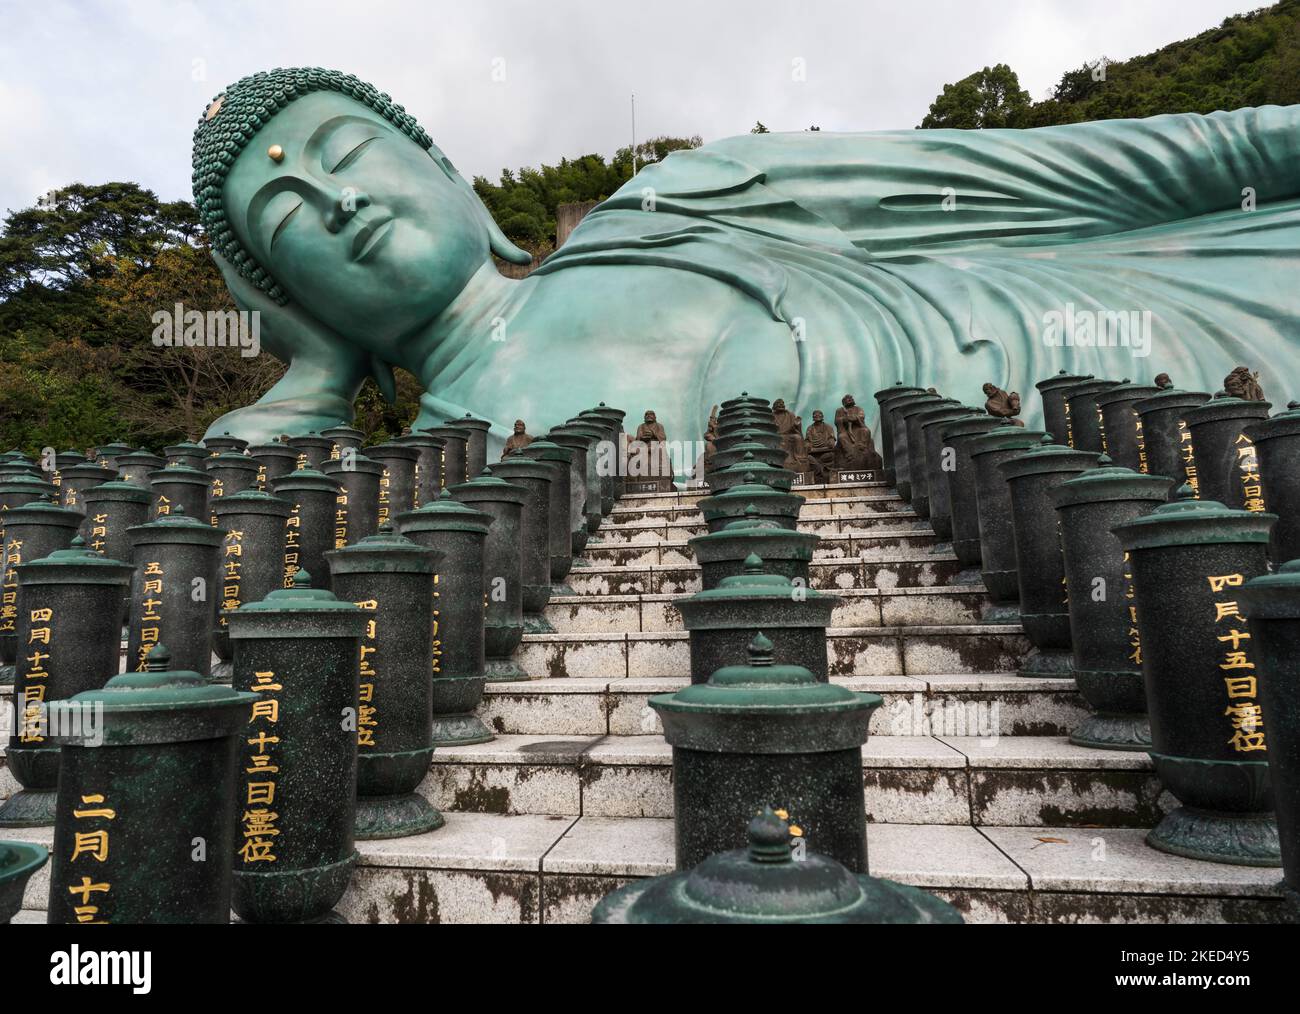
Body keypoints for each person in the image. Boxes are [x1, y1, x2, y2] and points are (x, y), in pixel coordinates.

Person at [192, 68, 1300, 451]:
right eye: (286, 222)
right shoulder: (440, 472)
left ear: (445, 169)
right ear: (289, 299)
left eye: (346, 154)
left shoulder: (686, 198)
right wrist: (313, 379)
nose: (335, 201)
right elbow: (237, 531)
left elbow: (1078, 175)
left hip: (1195, 331)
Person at [833, 394, 883, 470]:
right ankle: (849, 454)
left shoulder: (858, 409)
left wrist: (854, 418)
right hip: (846, 431)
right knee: (841, 437)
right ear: (844, 402)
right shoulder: (840, 410)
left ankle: (862, 447)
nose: (850, 400)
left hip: (857, 428)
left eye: (851, 399)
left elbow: (861, 416)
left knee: (866, 431)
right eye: (848, 399)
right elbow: (837, 421)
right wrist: (844, 419)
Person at [805, 410, 837, 483]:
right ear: (813, 417)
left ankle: (818, 468)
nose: (817, 416)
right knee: (808, 458)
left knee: (831, 455)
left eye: (819, 414)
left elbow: (832, 438)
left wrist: (831, 442)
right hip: (813, 455)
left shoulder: (828, 427)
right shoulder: (810, 428)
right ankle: (822, 469)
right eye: (815, 415)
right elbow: (807, 440)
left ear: (822, 416)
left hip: (826, 453)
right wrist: (808, 445)